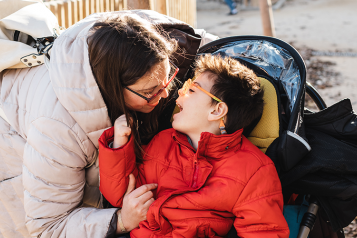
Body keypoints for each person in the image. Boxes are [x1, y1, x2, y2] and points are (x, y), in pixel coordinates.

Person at [0, 2, 216, 237]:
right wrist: (121, 219)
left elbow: (198, 41)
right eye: (151, 90)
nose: (165, 94)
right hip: (18, 157)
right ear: (114, 88)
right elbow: (48, 226)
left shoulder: (128, 33)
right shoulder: (58, 130)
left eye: (168, 79)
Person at [98, 54, 290, 237]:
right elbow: (119, 195)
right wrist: (119, 144)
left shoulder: (254, 170)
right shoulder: (163, 142)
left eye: (191, 89)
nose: (178, 95)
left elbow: (264, 231)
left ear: (217, 110)